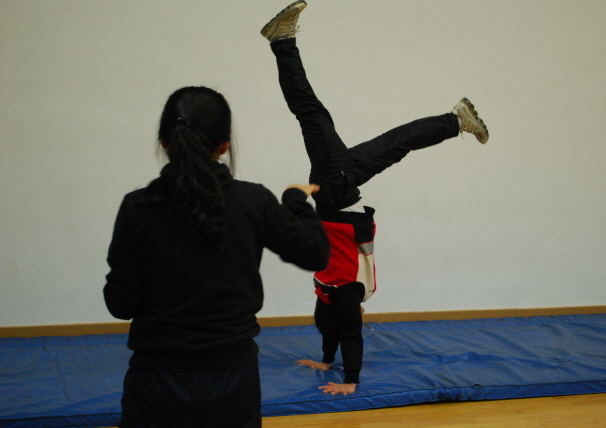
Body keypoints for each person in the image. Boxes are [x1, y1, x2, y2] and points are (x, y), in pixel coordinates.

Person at [260, 1, 489, 396]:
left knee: (315, 115)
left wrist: (326, 361)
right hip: (339, 191)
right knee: (391, 142)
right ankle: (455, 119)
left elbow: (333, 330)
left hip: (335, 194)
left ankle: (282, 42)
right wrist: (349, 381)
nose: (359, 315)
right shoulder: (346, 294)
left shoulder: (329, 293)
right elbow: (350, 333)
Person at [103, 86, 330, 428]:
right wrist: (296, 200)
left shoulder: (138, 207)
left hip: (157, 381)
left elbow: (120, 304)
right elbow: (316, 253)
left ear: (164, 142)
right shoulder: (253, 201)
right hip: (231, 381)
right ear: (224, 146)